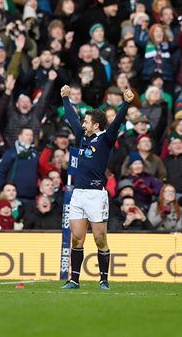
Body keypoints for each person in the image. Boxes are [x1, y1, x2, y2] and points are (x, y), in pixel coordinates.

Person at [59, 83, 134, 290]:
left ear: (97, 125)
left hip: (96, 195)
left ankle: (103, 279)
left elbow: (117, 122)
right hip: (78, 193)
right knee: (77, 238)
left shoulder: (106, 139)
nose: (83, 124)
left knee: (100, 238)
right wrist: (65, 98)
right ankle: (74, 280)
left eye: (87, 122)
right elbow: (72, 117)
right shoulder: (83, 137)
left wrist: (126, 104)